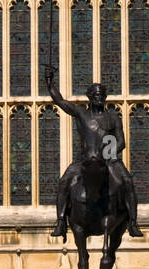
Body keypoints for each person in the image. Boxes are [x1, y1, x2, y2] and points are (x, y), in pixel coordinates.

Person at [44, 67, 143, 240]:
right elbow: (60, 101)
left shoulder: (113, 117)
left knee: (127, 182)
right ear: (90, 97)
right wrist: (49, 83)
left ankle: (133, 222)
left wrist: (107, 153)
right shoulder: (82, 113)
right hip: (84, 160)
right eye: (96, 95)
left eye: (102, 96)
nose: (99, 98)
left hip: (109, 160)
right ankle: (61, 222)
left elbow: (121, 141)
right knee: (64, 182)